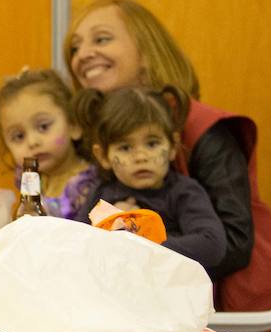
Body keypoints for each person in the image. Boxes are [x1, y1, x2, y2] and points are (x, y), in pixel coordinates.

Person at [62, 0, 271, 332]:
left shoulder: (206, 129)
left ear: (148, 52)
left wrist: (135, 247)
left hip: (244, 319)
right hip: (168, 317)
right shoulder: (106, 145)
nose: (83, 54)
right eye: (75, 47)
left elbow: (234, 243)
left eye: (101, 39)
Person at [72, 87, 226, 269]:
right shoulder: (101, 193)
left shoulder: (183, 192)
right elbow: (77, 242)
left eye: (152, 143)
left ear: (173, 147)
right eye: (125, 148)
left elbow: (212, 244)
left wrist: (141, 244)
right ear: (103, 156)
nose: (141, 156)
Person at [0, 67, 95, 218]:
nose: (32, 142)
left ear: (73, 124)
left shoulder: (88, 186)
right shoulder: (30, 183)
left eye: (43, 127)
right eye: (19, 136)